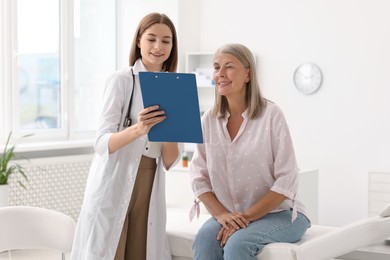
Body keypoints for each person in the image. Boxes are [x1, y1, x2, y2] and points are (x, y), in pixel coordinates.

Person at [71, 13, 181, 260]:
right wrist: (138, 129)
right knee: (110, 250)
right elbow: (101, 143)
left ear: (173, 46)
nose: (158, 47)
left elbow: (170, 160)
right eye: (151, 39)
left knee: (140, 253)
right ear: (139, 41)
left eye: (166, 41)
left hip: (150, 179)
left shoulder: (176, 86)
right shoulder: (121, 80)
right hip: (116, 177)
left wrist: (172, 127)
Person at [189, 43, 310, 260]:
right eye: (216, 68)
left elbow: (286, 180)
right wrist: (223, 215)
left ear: (248, 74)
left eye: (229, 67)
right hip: (230, 214)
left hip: (280, 214)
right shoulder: (208, 120)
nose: (220, 74)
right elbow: (199, 178)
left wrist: (243, 219)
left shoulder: (271, 115)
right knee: (204, 242)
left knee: (238, 244)